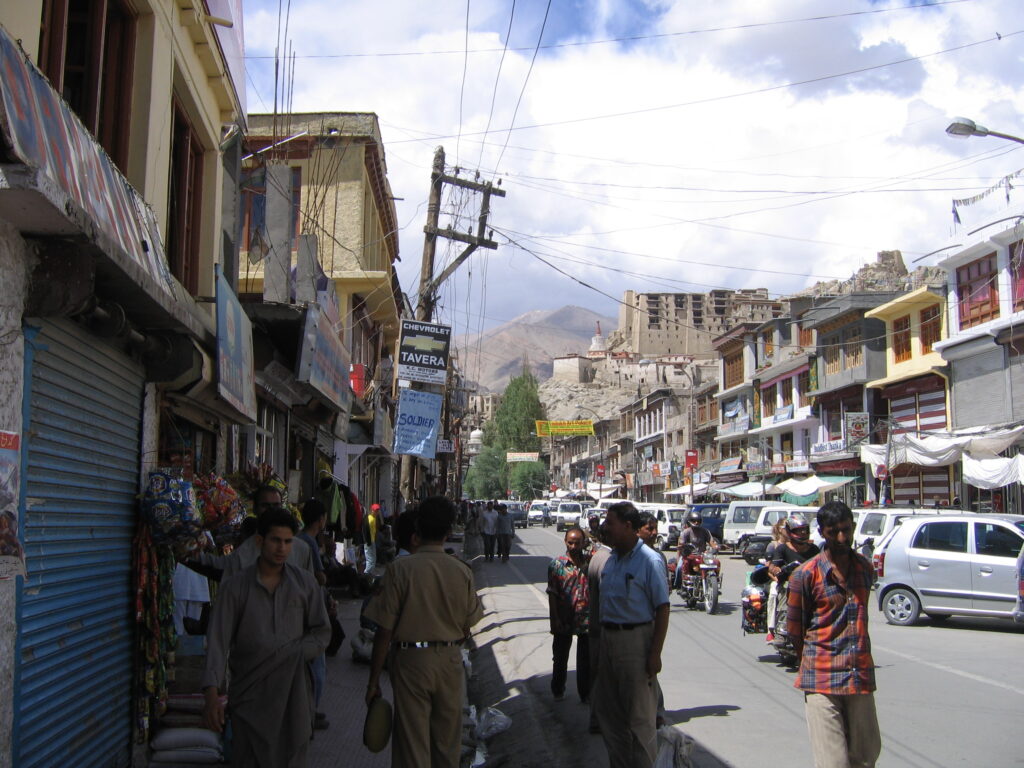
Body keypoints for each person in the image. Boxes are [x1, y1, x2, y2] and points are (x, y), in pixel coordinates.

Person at [202, 508, 330, 768]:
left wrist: (294, 653)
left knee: (293, 755)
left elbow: (322, 631)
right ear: (260, 541)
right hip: (250, 696)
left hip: (293, 694)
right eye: (275, 540)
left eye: (287, 542)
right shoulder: (235, 587)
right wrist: (212, 695)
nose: (281, 548)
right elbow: (218, 642)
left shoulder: (305, 585)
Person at [365, 496, 484, 768]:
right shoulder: (462, 571)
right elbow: (469, 624)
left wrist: (373, 682)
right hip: (450, 661)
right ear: (448, 530)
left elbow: (384, 631)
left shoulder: (399, 570)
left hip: (411, 663)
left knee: (411, 744)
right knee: (447, 745)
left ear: (417, 529)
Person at [787, 501, 880, 768]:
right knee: (833, 763)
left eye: (846, 530)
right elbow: (796, 630)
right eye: (833, 532)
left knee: (865, 757)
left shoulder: (864, 568)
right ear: (822, 533)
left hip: (858, 676)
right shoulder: (806, 575)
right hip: (821, 680)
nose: (842, 538)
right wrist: (811, 662)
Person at [594, 502, 670, 768]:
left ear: (628, 526)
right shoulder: (612, 558)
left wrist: (655, 654)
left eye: (610, 522)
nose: (605, 527)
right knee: (610, 715)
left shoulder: (649, 560)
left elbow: (662, 608)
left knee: (639, 720)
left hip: (635, 642)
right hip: (609, 640)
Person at [186, 486, 317, 580]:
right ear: (254, 509)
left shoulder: (302, 549)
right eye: (265, 506)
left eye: (276, 506)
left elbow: (311, 588)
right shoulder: (247, 549)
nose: (271, 510)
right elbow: (220, 567)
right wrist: (186, 554)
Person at [547, 526, 591, 703]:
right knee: (560, 659)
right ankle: (558, 690)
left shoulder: (590, 563)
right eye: (570, 542)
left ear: (583, 543)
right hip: (564, 618)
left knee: (585, 662)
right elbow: (552, 594)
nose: (574, 546)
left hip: (585, 620)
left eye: (577, 543)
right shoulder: (557, 565)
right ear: (565, 542)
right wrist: (554, 619)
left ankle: (585, 694)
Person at [586, 521, 613, 734]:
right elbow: (607, 598)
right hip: (605, 628)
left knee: (599, 675)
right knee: (606, 676)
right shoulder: (606, 560)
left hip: (598, 625)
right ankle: (601, 719)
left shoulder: (598, 557)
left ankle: (598, 718)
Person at [674, 510, 719, 589]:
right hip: (688, 555)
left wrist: (716, 546)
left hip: (702, 556)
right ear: (690, 521)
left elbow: (711, 541)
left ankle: (714, 581)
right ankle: (679, 585)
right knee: (680, 567)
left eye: (698, 521)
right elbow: (681, 544)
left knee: (717, 562)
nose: (696, 523)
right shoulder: (686, 532)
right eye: (694, 521)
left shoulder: (705, 531)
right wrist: (683, 547)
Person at [364, 503, 381, 573]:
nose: (377, 512)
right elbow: (365, 531)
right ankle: (366, 573)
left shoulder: (374, 519)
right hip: (369, 541)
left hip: (372, 541)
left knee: (373, 559)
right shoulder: (369, 519)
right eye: (376, 510)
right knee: (371, 560)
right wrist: (367, 542)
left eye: (378, 510)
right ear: (372, 510)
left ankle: (369, 574)